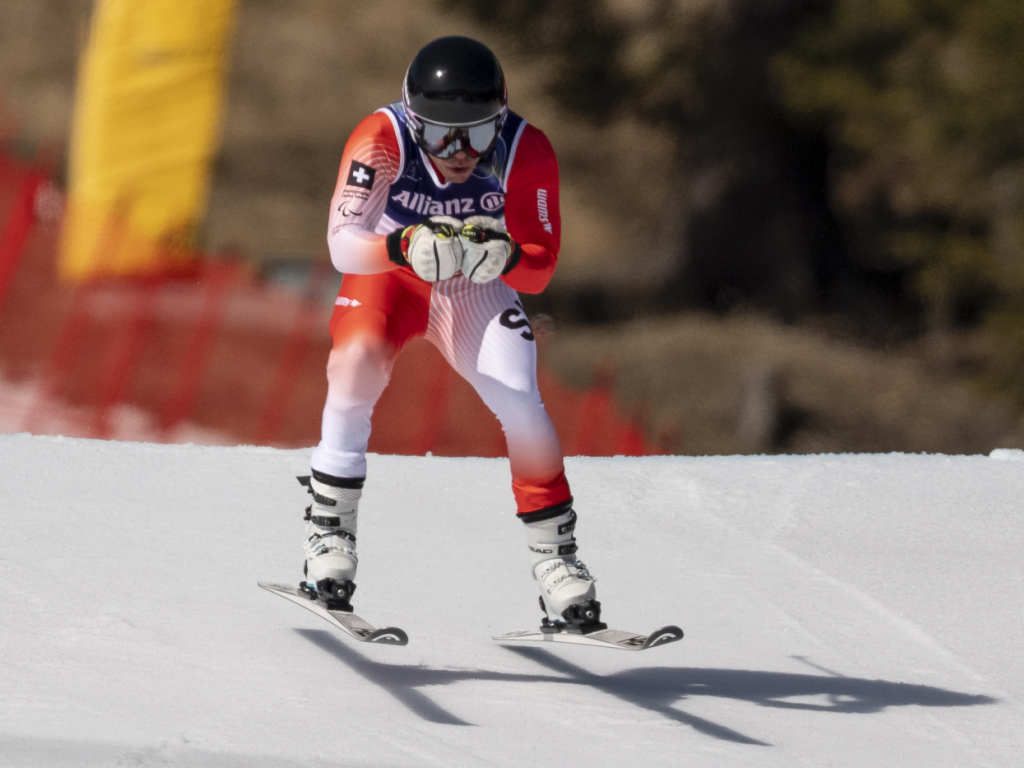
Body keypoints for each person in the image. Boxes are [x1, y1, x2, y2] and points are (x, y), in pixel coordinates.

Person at [299, 36, 605, 634]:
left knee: (519, 393)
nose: (459, 152)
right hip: (392, 277)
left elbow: (541, 267)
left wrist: (507, 255)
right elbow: (341, 243)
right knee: (356, 364)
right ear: (413, 121)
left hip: (472, 284)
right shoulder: (380, 138)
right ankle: (329, 531)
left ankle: (556, 558)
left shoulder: (526, 148)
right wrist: (401, 243)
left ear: (501, 120)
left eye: (478, 133)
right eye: (440, 135)